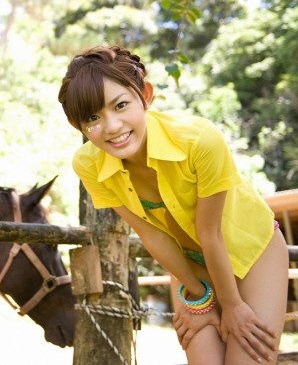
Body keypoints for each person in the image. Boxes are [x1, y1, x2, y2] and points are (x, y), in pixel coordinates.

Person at [58, 45, 288, 364]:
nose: (111, 126)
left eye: (121, 105)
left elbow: (211, 234)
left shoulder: (199, 141)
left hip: (251, 251)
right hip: (189, 264)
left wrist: (232, 305)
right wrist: (198, 296)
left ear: (145, 94)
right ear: (79, 127)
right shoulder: (88, 164)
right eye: (92, 118)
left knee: (247, 356)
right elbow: (151, 235)